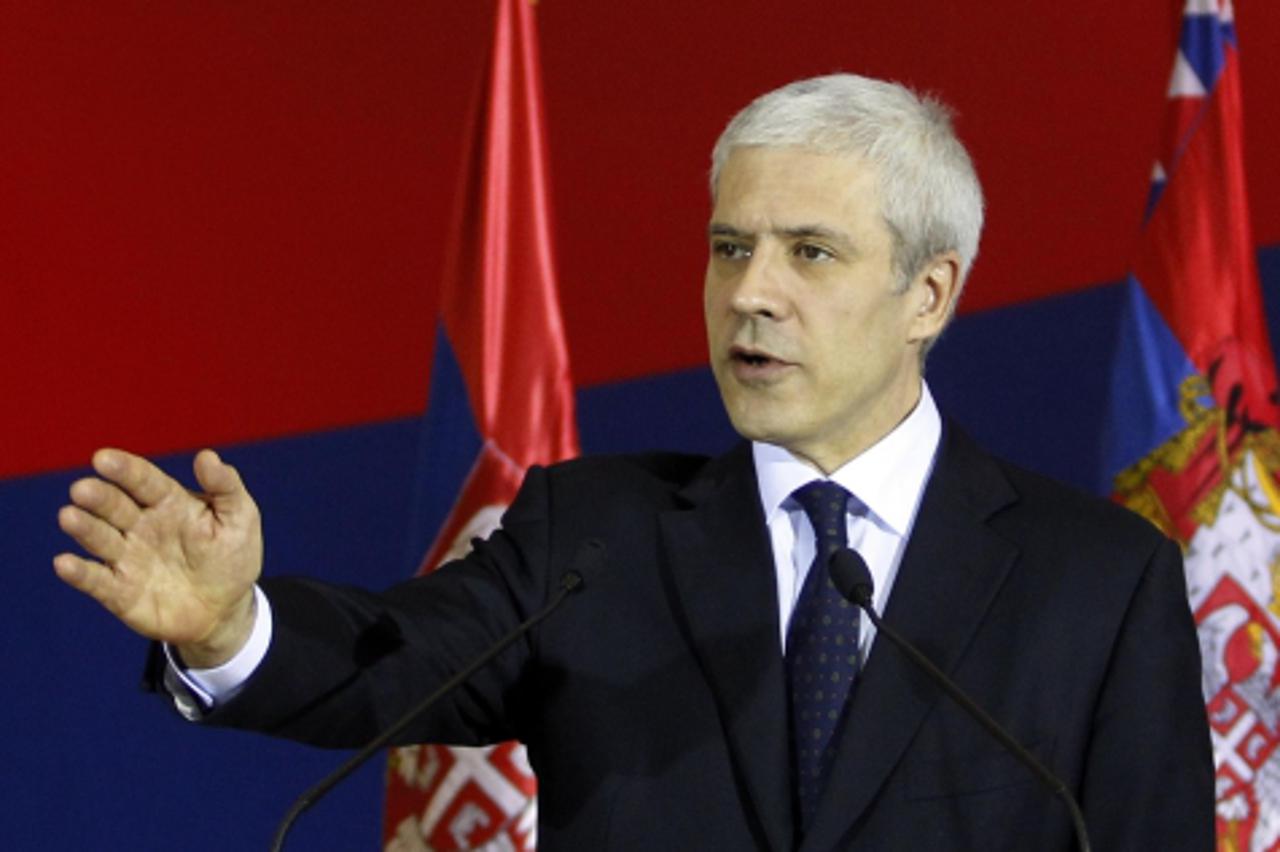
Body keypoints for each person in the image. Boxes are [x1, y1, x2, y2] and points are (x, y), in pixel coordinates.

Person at [54, 73, 1213, 850]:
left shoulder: (1098, 583)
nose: (748, 295)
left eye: (808, 253)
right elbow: (387, 663)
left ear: (928, 293)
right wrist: (225, 629)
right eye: (728, 248)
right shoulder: (592, 536)